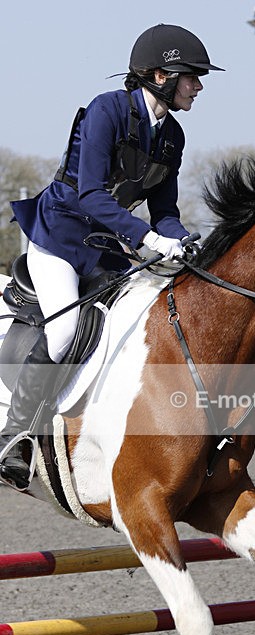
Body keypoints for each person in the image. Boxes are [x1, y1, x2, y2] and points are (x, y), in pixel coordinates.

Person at [0, 23, 223, 490]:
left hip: (106, 247)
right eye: (192, 77)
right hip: (59, 237)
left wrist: (183, 241)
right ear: (161, 76)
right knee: (64, 330)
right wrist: (148, 238)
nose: (198, 87)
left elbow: (165, 212)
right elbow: (91, 195)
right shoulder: (106, 110)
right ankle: (13, 437)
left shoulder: (172, 137)